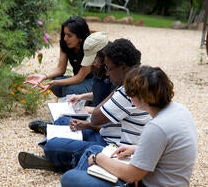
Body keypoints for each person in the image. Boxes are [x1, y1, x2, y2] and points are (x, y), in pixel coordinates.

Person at [18, 39, 152, 172]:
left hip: (113, 146)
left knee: (52, 146)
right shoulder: (134, 81)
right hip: (105, 133)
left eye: (108, 68)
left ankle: (67, 162)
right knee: (62, 123)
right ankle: (64, 156)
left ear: (122, 67)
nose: (107, 73)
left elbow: (95, 117)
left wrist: (117, 88)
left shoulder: (128, 90)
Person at [60, 66, 198, 187]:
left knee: (69, 178)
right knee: (94, 150)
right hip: (170, 179)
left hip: (148, 183)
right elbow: (168, 148)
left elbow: (132, 176)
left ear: (142, 98)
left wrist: (99, 159)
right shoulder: (179, 110)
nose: (128, 97)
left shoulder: (156, 127)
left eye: (130, 93)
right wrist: (137, 149)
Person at [24, 16, 93, 98]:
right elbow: (60, 69)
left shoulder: (89, 48)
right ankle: (70, 103)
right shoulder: (65, 44)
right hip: (79, 79)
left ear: (80, 37)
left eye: (69, 35)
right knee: (56, 85)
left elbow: (79, 77)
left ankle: (84, 103)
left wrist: (55, 82)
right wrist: (44, 76)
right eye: (64, 34)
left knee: (69, 89)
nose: (65, 38)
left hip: (93, 81)